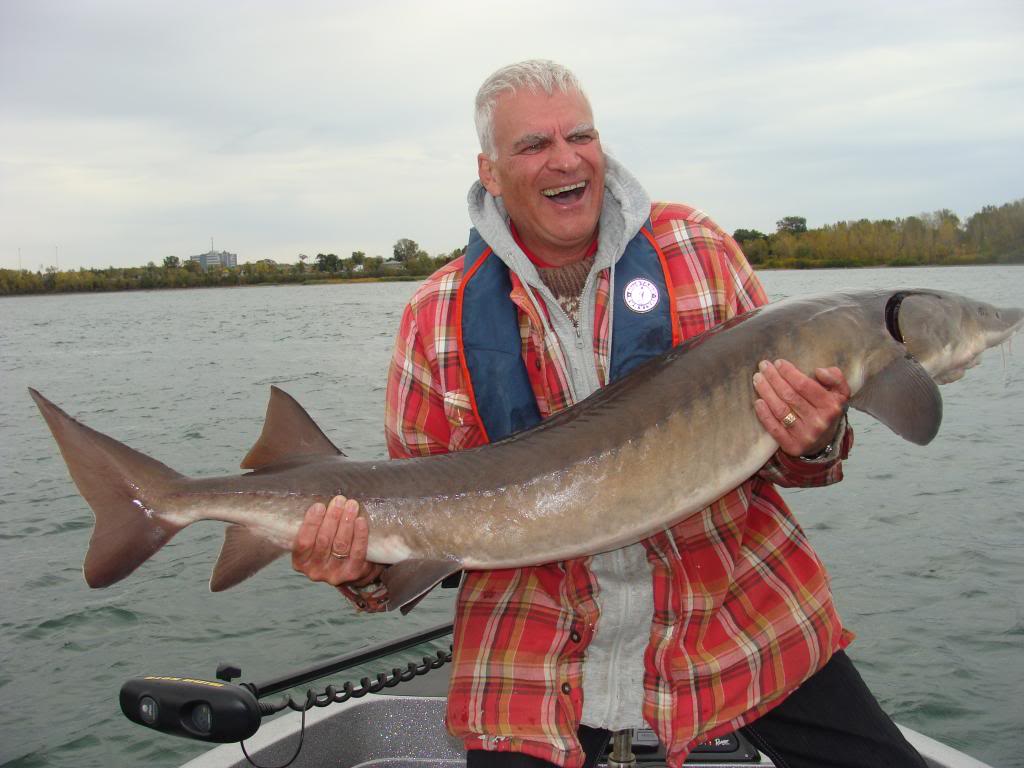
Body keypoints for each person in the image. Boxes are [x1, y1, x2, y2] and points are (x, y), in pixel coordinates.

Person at [291, 60, 926, 768]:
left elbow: (798, 462)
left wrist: (814, 441)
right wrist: (357, 569)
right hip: (528, 646)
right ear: (490, 172)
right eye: (534, 145)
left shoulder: (700, 251)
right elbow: (413, 520)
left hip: (737, 609)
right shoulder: (434, 315)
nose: (566, 159)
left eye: (581, 136)